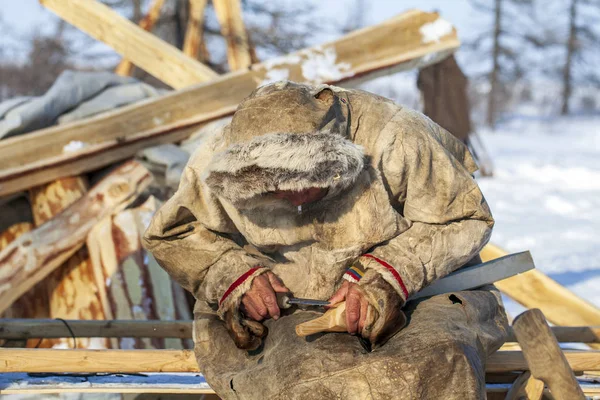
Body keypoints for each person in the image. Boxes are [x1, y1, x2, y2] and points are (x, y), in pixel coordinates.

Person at [143, 81, 508, 400]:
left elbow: (464, 216)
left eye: (309, 183)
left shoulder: (398, 137)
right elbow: (174, 232)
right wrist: (234, 275)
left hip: (426, 291)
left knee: (437, 360)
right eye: (278, 191)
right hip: (291, 304)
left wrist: (392, 270)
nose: (297, 199)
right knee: (305, 374)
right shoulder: (217, 162)